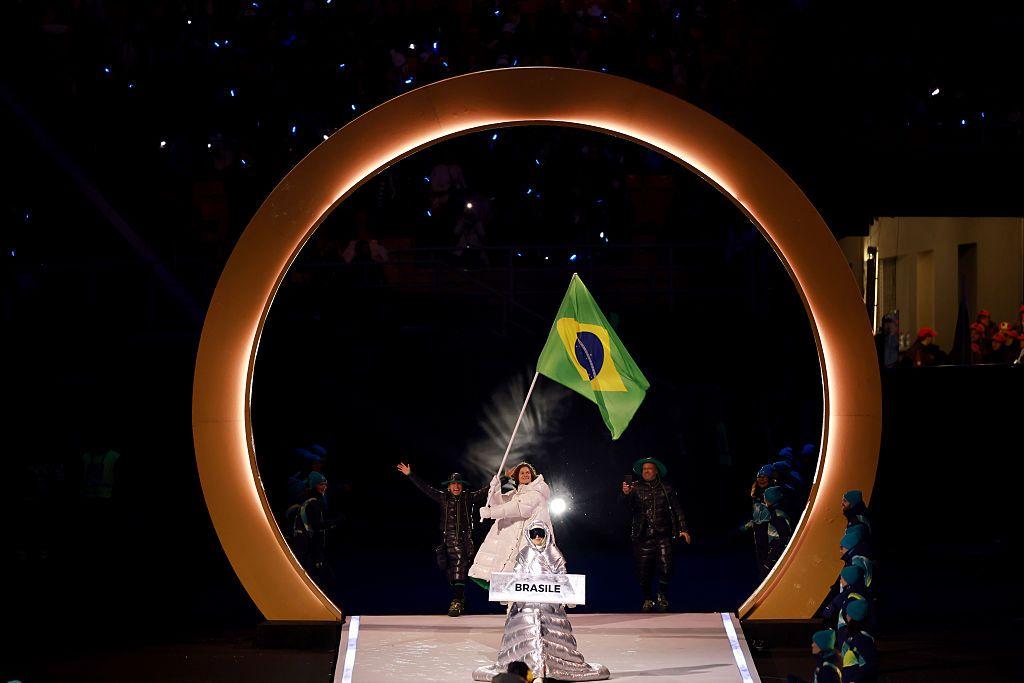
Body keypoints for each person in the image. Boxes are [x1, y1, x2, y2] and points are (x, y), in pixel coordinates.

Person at [472, 521, 609, 682]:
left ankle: (549, 666)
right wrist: (508, 591)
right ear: (528, 535)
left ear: (546, 534)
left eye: (540, 533)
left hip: (549, 604)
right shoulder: (525, 553)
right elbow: (517, 575)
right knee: (525, 633)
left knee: (550, 635)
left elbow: (561, 575)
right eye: (533, 534)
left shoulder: (553, 553)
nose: (537, 537)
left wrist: (568, 593)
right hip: (527, 604)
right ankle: (528, 668)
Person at [397, 463, 489, 617]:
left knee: (459, 568)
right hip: (447, 540)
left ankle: (457, 600)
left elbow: (487, 490)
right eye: (453, 484)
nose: (456, 486)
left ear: (462, 486)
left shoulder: (468, 497)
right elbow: (426, 488)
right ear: (449, 486)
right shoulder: (443, 497)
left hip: (464, 540)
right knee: (450, 571)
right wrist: (411, 475)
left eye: (458, 484)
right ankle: (460, 598)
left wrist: (503, 479)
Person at [621, 457, 690, 612]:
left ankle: (662, 595)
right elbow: (624, 507)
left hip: (663, 535)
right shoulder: (635, 488)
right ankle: (647, 598)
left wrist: (683, 529)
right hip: (642, 536)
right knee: (643, 571)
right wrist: (626, 494)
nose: (646, 471)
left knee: (666, 567)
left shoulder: (666, 488)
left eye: (649, 468)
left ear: (656, 471)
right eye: (644, 469)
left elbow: (677, 509)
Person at [469, 462, 552, 589]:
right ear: (517, 477)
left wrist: (491, 512)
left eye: (528, 472)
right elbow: (499, 504)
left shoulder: (535, 493)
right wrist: (495, 489)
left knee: (525, 575)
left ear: (532, 475)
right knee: (509, 576)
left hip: (531, 539)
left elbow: (516, 507)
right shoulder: (515, 494)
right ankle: (506, 595)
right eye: (522, 473)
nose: (525, 475)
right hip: (515, 538)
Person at [287, 471, 334, 583]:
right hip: (307, 545)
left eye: (325, 484)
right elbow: (317, 526)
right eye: (321, 484)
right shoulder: (313, 503)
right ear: (314, 485)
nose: (324, 487)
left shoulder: (308, 501)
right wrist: (335, 522)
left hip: (306, 544)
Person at [840, 599, 879, 682]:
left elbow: (869, 666)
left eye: (848, 613)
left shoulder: (862, 639)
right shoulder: (853, 636)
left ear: (853, 616)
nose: (846, 615)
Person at [763, 486, 793, 570]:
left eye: (765, 496)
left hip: (777, 553)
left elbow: (784, 538)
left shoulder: (776, 515)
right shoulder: (774, 510)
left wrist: (769, 562)